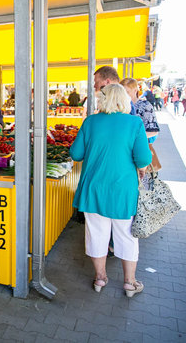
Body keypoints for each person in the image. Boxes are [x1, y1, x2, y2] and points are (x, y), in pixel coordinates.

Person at [70, 83, 152, 297]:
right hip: (123, 190)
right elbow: (143, 158)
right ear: (124, 99)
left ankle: (100, 278)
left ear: (102, 100)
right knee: (126, 236)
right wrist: (141, 170)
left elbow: (76, 154)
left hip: (94, 188)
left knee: (96, 234)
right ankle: (129, 282)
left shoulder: (90, 122)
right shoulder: (134, 123)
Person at [121, 78, 160, 143]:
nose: (124, 95)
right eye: (122, 92)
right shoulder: (118, 105)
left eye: (127, 92)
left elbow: (153, 131)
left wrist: (133, 137)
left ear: (135, 90)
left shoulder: (145, 106)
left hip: (139, 145)